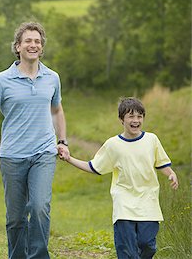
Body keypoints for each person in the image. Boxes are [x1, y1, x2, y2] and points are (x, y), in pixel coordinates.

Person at [0, 21, 69, 259]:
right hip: (12, 156)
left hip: (43, 153)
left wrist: (63, 141)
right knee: (16, 217)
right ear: (17, 46)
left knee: (39, 208)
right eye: (28, 41)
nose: (33, 45)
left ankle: (38, 256)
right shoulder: (3, 79)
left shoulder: (52, 78)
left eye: (37, 41)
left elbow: (57, 110)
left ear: (42, 47)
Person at [60, 97, 179, 259]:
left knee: (148, 245)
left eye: (139, 116)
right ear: (121, 120)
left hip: (148, 202)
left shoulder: (152, 140)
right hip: (124, 204)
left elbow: (161, 163)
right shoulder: (113, 145)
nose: (136, 120)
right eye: (131, 116)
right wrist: (69, 159)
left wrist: (171, 173)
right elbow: (93, 167)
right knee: (127, 251)